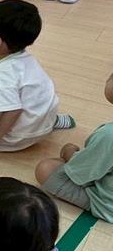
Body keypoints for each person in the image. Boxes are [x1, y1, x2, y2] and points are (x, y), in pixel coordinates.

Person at [0, 0, 74, 152]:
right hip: (44, 119)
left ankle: (2, 136)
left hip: (19, 134)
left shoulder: (2, 75)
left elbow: (12, 111)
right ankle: (53, 122)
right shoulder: (27, 59)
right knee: (21, 98)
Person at [35, 71, 113, 222]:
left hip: (107, 205)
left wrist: (69, 153)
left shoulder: (109, 135)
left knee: (45, 168)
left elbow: (81, 173)